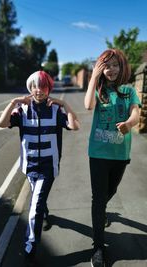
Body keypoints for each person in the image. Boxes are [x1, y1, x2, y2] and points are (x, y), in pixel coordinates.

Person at [0, 70, 80, 266]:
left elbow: (75, 126)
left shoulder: (55, 110)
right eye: (34, 86)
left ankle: (30, 247)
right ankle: (45, 212)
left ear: (48, 88)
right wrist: (13, 103)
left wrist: (64, 104)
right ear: (30, 88)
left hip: (47, 167)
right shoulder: (23, 110)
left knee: (34, 208)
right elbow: (2, 123)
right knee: (38, 198)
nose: (38, 90)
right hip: (29, 166)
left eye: (42, 86)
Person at [84, 49, 141, 267]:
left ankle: (101, 212)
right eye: (106, 66)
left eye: (115, 65)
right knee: (98, 199)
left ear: (123, 66)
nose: (112, 69)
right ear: (100, 68)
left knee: (112, 190)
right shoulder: (99, 90)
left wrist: (129, 123)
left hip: (120, 154)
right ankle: (97, 247)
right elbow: (88, 106)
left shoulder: (128, 90)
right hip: (98, 154)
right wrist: (93, 78)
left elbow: (135, 112)